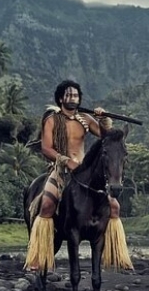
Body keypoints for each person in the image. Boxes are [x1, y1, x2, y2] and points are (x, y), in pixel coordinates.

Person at [24, 80, 130, 271]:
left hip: (84, 171)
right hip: (60, 170)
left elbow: (107, 138)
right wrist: (65, 161)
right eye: (68, 95)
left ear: (79, 98)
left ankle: (115, 254)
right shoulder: (51, 120)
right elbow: (46, 148)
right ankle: (38, 257)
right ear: (60, 98)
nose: (72, 98)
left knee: (114, 206)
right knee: (47, 204)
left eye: (75, 95)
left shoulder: (86, 119)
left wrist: (103, 119)